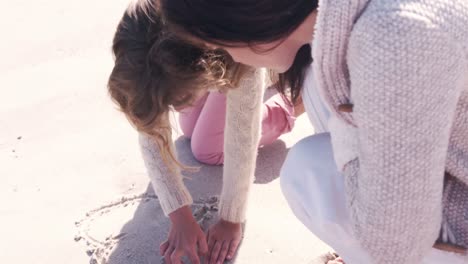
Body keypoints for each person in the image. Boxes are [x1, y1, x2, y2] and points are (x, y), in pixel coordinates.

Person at [159, 0, 468, 263]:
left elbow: (396, 240)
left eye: (219, 45)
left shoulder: (391, 37)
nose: (230, 58)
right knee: (317, 92)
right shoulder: (346, 21)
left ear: (241, 19)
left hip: (435, 221)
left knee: (305, 170)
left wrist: (348, 126)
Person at [107, 1, 308, 264]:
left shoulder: (239, 46)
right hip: (203, 62)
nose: (176, 110)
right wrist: (179, 215)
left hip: (256, 51)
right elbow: (150, 129)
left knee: (207, 149)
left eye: (180, 100)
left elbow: (242, 135)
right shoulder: (138, 44)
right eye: (173, 104)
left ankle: (294, 103)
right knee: (190, 129)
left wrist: (231, 218)